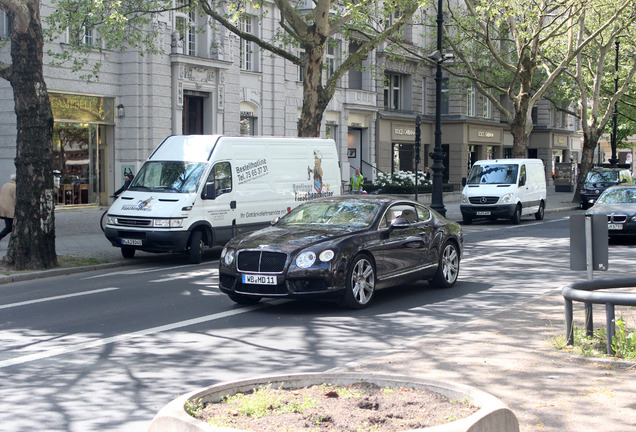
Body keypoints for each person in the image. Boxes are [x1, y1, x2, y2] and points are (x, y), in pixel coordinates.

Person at [0, 173, 16, 242]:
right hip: (11, 211)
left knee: (9, 226)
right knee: (10, 227)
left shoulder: (5, 185)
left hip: (4, 210)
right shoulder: (14, 187)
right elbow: (16, 199)